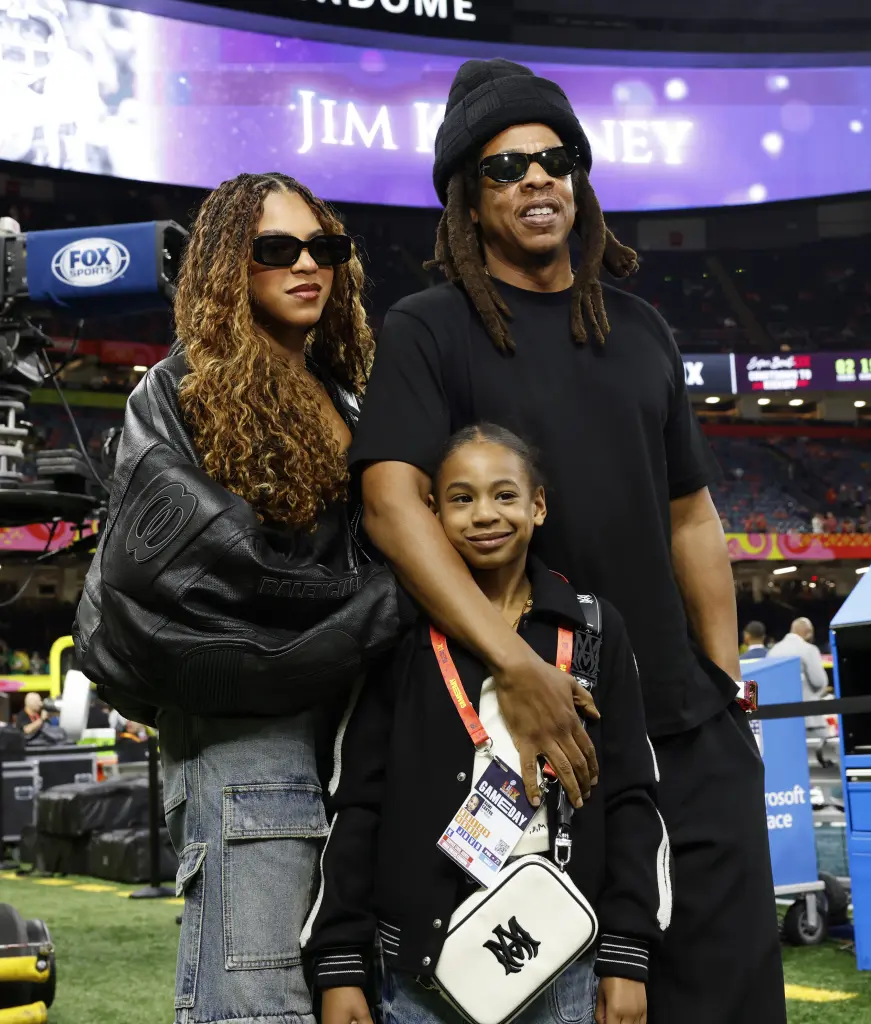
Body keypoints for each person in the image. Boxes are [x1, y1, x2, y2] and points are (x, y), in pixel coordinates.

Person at [348, 58, 785, 1024]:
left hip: (684, 731)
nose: (536, 179)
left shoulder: (641, 327)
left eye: (555, 159)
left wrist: (720, 689)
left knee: (732, 1000)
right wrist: (517, 668)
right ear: (468, 200)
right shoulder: (428, 328)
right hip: (538, 737)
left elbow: (690, 515)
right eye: (504, 168)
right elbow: (390, 506)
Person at [73, 172, 399, 1024]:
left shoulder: (346, 395)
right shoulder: (178, 391)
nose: (307, 265)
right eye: (276, 249)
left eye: (324, 248)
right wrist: (393, 599)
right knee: (257, 1005)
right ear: (226, 265)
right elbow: (207, 575)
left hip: (350, 736)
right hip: (244, 747)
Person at [307, 425, 668, 1024]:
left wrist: (627, 953)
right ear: (431, 512)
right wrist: (340, 961)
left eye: (504, 495)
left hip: (561, 961)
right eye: (461, 498)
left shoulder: (592, 630)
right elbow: (358, 801)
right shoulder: (398, 633)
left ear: (538, 505)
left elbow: (632, 798)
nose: (484, 514)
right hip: (420, 970)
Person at [768, 618, 830, 735]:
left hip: (783, 719)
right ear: (809, 633)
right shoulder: (808, 649)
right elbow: (819, 681)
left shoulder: (772, 652)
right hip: (809, 719)